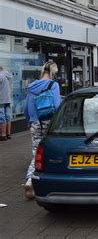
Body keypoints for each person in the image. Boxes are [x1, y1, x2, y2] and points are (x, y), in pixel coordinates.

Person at [23, 60, 61, 199]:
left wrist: (29, 121)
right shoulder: (53, 85)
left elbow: (26, 107)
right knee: (50, 151)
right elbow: (57, 106)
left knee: (36, 151)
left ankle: (30, 180)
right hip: (48, 122)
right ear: (53, 73)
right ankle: (40, 180)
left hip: (35, 123)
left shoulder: (31, 86)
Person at [0, 66, 13, 141]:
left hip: (1, 99)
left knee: (1, 117)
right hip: (8, 99)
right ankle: (8, 134)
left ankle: (3, 135)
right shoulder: (8, 75)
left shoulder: (0, 76)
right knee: (8, 116)